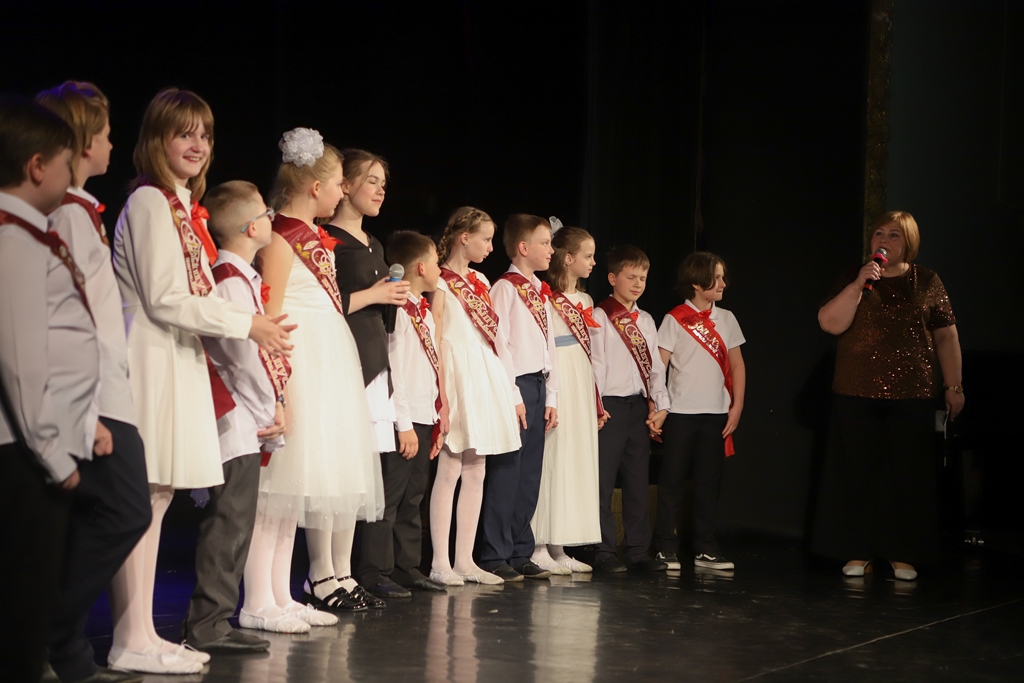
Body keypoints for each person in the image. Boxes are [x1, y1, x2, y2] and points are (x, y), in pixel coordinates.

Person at [109, 88, 293, 674]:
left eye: (205, 135)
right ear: (156, 139)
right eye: (183, 133)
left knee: (158, 496)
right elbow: (164, 298)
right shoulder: (149, 202)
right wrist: (248, 323)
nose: (197, 144)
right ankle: (129, 636)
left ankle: (141, 632)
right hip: (151, 358)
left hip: (176, 358)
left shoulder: (179, 208)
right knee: (146, 496)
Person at [38, 81, 153, 683]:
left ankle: (62, 648)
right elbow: (66, 318)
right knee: (125, 510)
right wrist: (90, 409)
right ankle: (48, 637)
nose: (112, 145)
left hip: (106, 389)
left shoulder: (80, 212)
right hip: (91, 395)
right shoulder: (62, 214)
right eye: (106, 135)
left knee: (96, 516)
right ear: (84, 142)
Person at [256, 128, 384, 615]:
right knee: (289, 478)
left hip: (331, 358)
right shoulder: (280, 236)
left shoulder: (317, 238)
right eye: (337, 184)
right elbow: (270, 310)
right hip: (302, 358)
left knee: (329, 465)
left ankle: (321, 579)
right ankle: (279, 592)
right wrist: (277, 383)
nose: (341, 192)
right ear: (316, 188)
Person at [182, 180, 307, 645]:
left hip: (249, 415)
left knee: (237, 520)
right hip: (237, 417)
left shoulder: (243, 278)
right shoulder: (230, 281)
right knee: (229, 522)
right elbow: (240, 358)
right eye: (266, 214)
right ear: (253, 227)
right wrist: (267, 410)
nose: (272, 220)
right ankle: (207, 625)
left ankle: (216, 620)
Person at [812, 211, 963, 581]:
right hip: (855, 389)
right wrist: (858, 284)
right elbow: (829, 323)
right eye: (879, 233)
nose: (884, 240)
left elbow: (946, 336)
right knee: (856, 472)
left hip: (912, 391)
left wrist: (954, 386)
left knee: (906, 474)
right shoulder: (856, 276)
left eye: (894, 235)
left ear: (908, 242)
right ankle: (856, 550)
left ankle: (902, 552)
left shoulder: (927, 280)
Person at [0, 95, 93, 683]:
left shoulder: (26, 236)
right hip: (23, 451)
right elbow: (20, 360)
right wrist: (55, 455)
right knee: (22, 602)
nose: (71, 172)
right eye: (66, 161)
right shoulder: (13, 239)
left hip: (33, 444)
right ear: (37, 166)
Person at [319, 150, 410, 602]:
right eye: (370, 181)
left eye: (383, 183)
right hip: (342, 361)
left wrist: (389, 299)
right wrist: (373, 294)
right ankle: (323, 574)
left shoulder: (374, 244)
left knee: (358, 474)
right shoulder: (326, 240)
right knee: (334, 471)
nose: (379, 190)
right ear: (345, 185)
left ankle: (345, 572)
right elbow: (323, 304)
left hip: (374, 360)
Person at [429, 206, 522, 586]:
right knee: (450, 466)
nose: (490, 246)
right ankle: (440, 562)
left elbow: (494, 336)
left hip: (483, 373)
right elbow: (435, 334)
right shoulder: (439, 280)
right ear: (464, 238)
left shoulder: (481, 280)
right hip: (455, 373)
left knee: (476, 468)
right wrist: (441, 392)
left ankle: (465, 560)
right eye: (485, 239)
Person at [478, 213, 559, 582]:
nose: (551, 250)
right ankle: (494, 553)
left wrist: (553, 394)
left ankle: (520, 550)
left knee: (529, 475)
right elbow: (500, 345)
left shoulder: (539, 290)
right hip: (516, 386)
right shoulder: (505, 288)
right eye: (545, 242)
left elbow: (549, 347)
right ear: (524, 247)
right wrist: (512, 394)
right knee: (507, 471)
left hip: (539, 384)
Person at [653, 251, 746, 572]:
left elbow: (737, 364)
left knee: (709, 484)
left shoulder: (727, 319)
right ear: (696, 282)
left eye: (722, 277)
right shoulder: (674, 319)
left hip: (716, 414)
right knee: (672, 483)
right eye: (715, 278)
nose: (722, 283)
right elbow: (659, 368)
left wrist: (737, 406)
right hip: (680, 414)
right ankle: (665, 547)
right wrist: (658, 406)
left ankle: (705, 548)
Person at [372, 230, 449, 594]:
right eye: (436, 262)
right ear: (420, 267)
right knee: (389, 498)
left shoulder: (424, 312)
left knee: (413, 496)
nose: (440, 270)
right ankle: (376, 570)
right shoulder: (399, 311)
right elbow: (395, 372)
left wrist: (435, 416)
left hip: (422, 415)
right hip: (401, 419)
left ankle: (406, 566)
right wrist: (403, 424)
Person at [591, 245, 670, 573]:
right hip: (609, 406)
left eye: (643, 278)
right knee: (603, 481)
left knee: (637, 481)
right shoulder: (600, 315)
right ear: (613, 278)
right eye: (631, 277)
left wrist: (661, 405)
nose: (638, 284)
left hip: (638, 407)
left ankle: (638, 550)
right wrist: (596, 405)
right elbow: (596, 365)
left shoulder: (647, 320)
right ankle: (603, 550)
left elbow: (655, 369)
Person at [530, 222, 604, 574]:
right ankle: (538, 543)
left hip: (580, 379)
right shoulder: (546, 297)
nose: (593, 262)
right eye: (588, 256)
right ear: (569, 258)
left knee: (573, 458)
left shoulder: (586, 300)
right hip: (558, 377)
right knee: (552, 458)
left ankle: (559, 545)